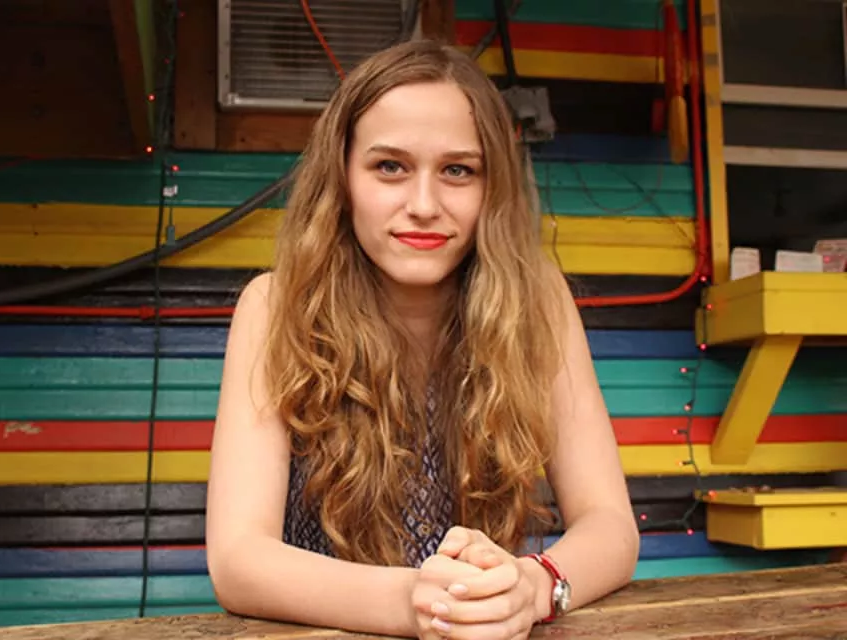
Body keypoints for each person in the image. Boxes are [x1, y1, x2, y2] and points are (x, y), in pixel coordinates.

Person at [205, 38, 639, 639]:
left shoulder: (536, 301)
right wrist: (417, 601)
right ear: (341, 177)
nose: (424, 205)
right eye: (390, 167)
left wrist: (532, 587)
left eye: (458, 170)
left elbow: (611, 525)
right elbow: (238, 561)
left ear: (492, 187)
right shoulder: (274, 306)